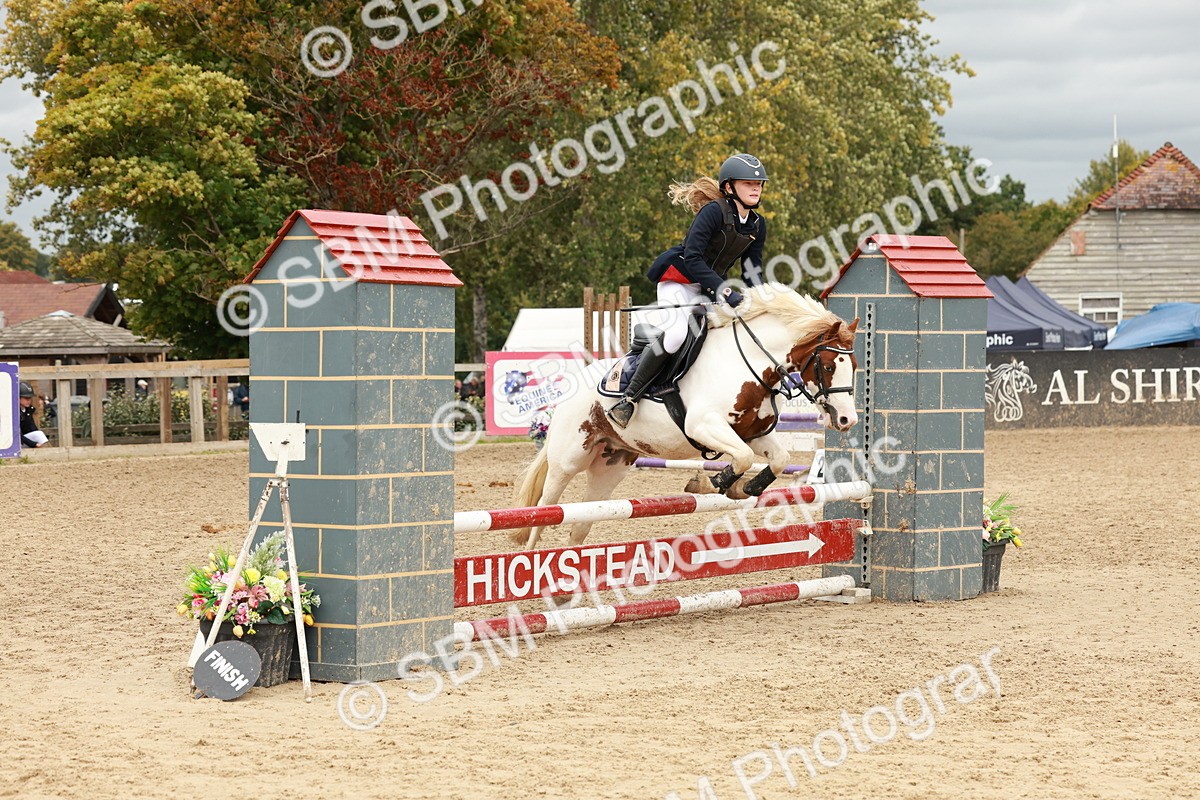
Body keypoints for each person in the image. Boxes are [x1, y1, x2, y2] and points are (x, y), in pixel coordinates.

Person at [607, 153, 769, 428]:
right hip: (680, 280)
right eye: (747, 183)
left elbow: (752, 268)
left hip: (710, 287)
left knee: (727, 334)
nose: (756, 188)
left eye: (759, 184)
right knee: (678, 333)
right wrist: (725, 291)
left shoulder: (757, 224)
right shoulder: (713, 212)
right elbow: (693, 259)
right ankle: (630, 398)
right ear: (729, 187)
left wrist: (761, 300)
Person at [18, 382, 49, 448]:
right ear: (18, 398)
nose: (29, 401)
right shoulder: (13, 412)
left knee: (39, 434)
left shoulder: (28, 410)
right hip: (16, 442)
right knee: (39, 435)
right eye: (26, 398)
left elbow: (33, 429)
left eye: (30, 398)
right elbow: (16, 434)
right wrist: (33, 444)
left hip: (24, 440)